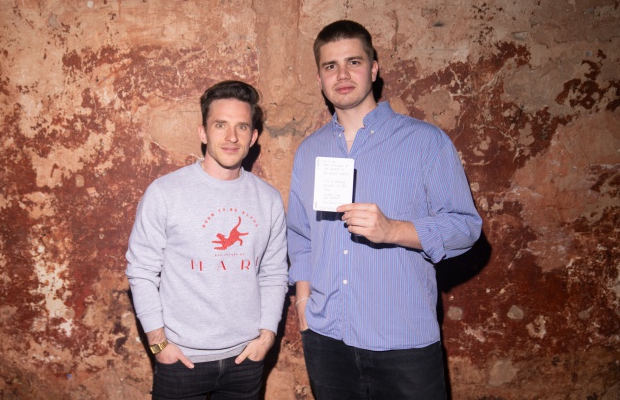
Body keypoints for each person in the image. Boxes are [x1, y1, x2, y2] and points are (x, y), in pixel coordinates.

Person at [287, 20, 483, 399]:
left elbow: (466, 227)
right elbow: (301, 237)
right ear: (320, 78)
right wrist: (304, 305)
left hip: (403, 344)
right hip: (326, 339)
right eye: (331, 66)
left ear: (373, 69)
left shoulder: (425, 141)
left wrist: (393, 229)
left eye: (354, 62)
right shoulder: (309, 151)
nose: (343, 75)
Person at [126, 80, 288, 400]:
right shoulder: (165, 192)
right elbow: (141, 270)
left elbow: (274, 272)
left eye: (242, 127)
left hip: (246, 359)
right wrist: (158, 344)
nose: (232, 137)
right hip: (181, 360)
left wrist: (267, 336)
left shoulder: (268, 199)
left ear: (253, 137)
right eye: (220, 125)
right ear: (203, 133)